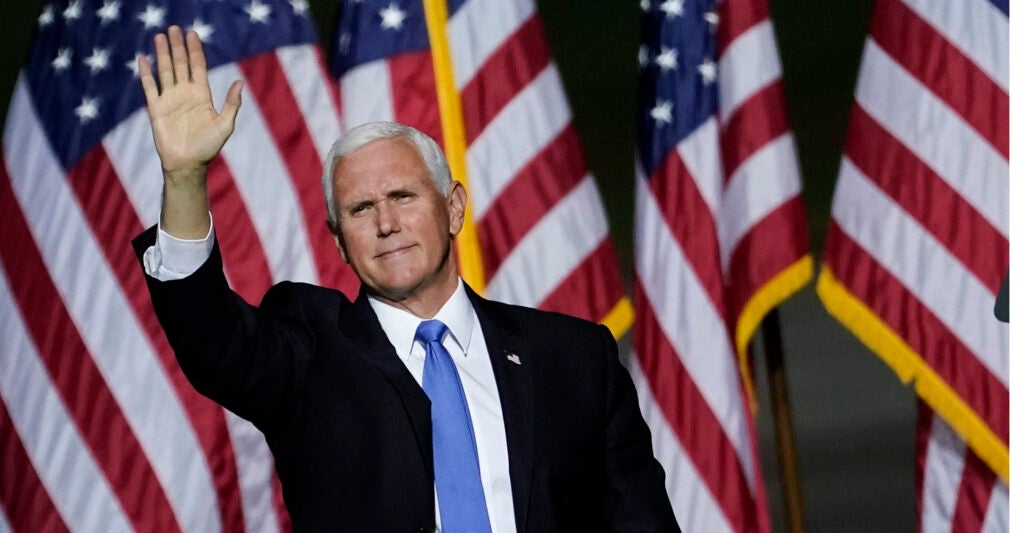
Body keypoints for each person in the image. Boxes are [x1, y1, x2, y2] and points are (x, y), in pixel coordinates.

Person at [133, 26, 678, 532]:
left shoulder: (575, 359)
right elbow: (211, 337)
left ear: (454, 207)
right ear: (339, 240)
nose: (386, 223)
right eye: (360, 209)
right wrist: (184, 178)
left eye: (403, 196)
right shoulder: (309, 353)